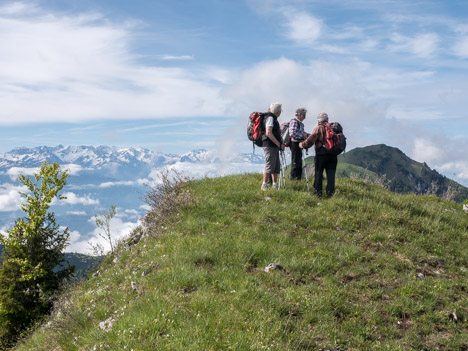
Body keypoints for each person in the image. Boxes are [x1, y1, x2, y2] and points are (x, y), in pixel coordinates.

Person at [299, 112, 337, 197]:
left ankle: (318, 193)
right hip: (333, 155)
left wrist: (302, 145)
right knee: (331, 175)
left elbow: (310, 140)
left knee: (319, 173)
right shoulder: (334, 128)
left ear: (319, 120)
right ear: (327, 119)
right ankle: (330, 194)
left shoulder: (318, 129)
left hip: (321, 155)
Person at [261, 102, 285, 191]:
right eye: (280, 110)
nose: (280, 112)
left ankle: (274, 184)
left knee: (275, 163)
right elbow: (268, 133)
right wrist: (278, 144)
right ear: (277, 111)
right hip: (269, 144)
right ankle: (264, 184)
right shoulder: (270, 118)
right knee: (270, 164)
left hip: (272, 145)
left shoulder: (272, 118)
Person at [288, 108, 309, 180]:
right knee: (295, 162)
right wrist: (303, 135)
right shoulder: (294, 122)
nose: (305, 117)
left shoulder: (300, 123)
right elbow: (292, 133)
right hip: (295, 143)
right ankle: (294, 180)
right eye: (303, 115)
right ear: (299, 115)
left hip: (299, 143)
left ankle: (298, 179)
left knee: (298, 162)